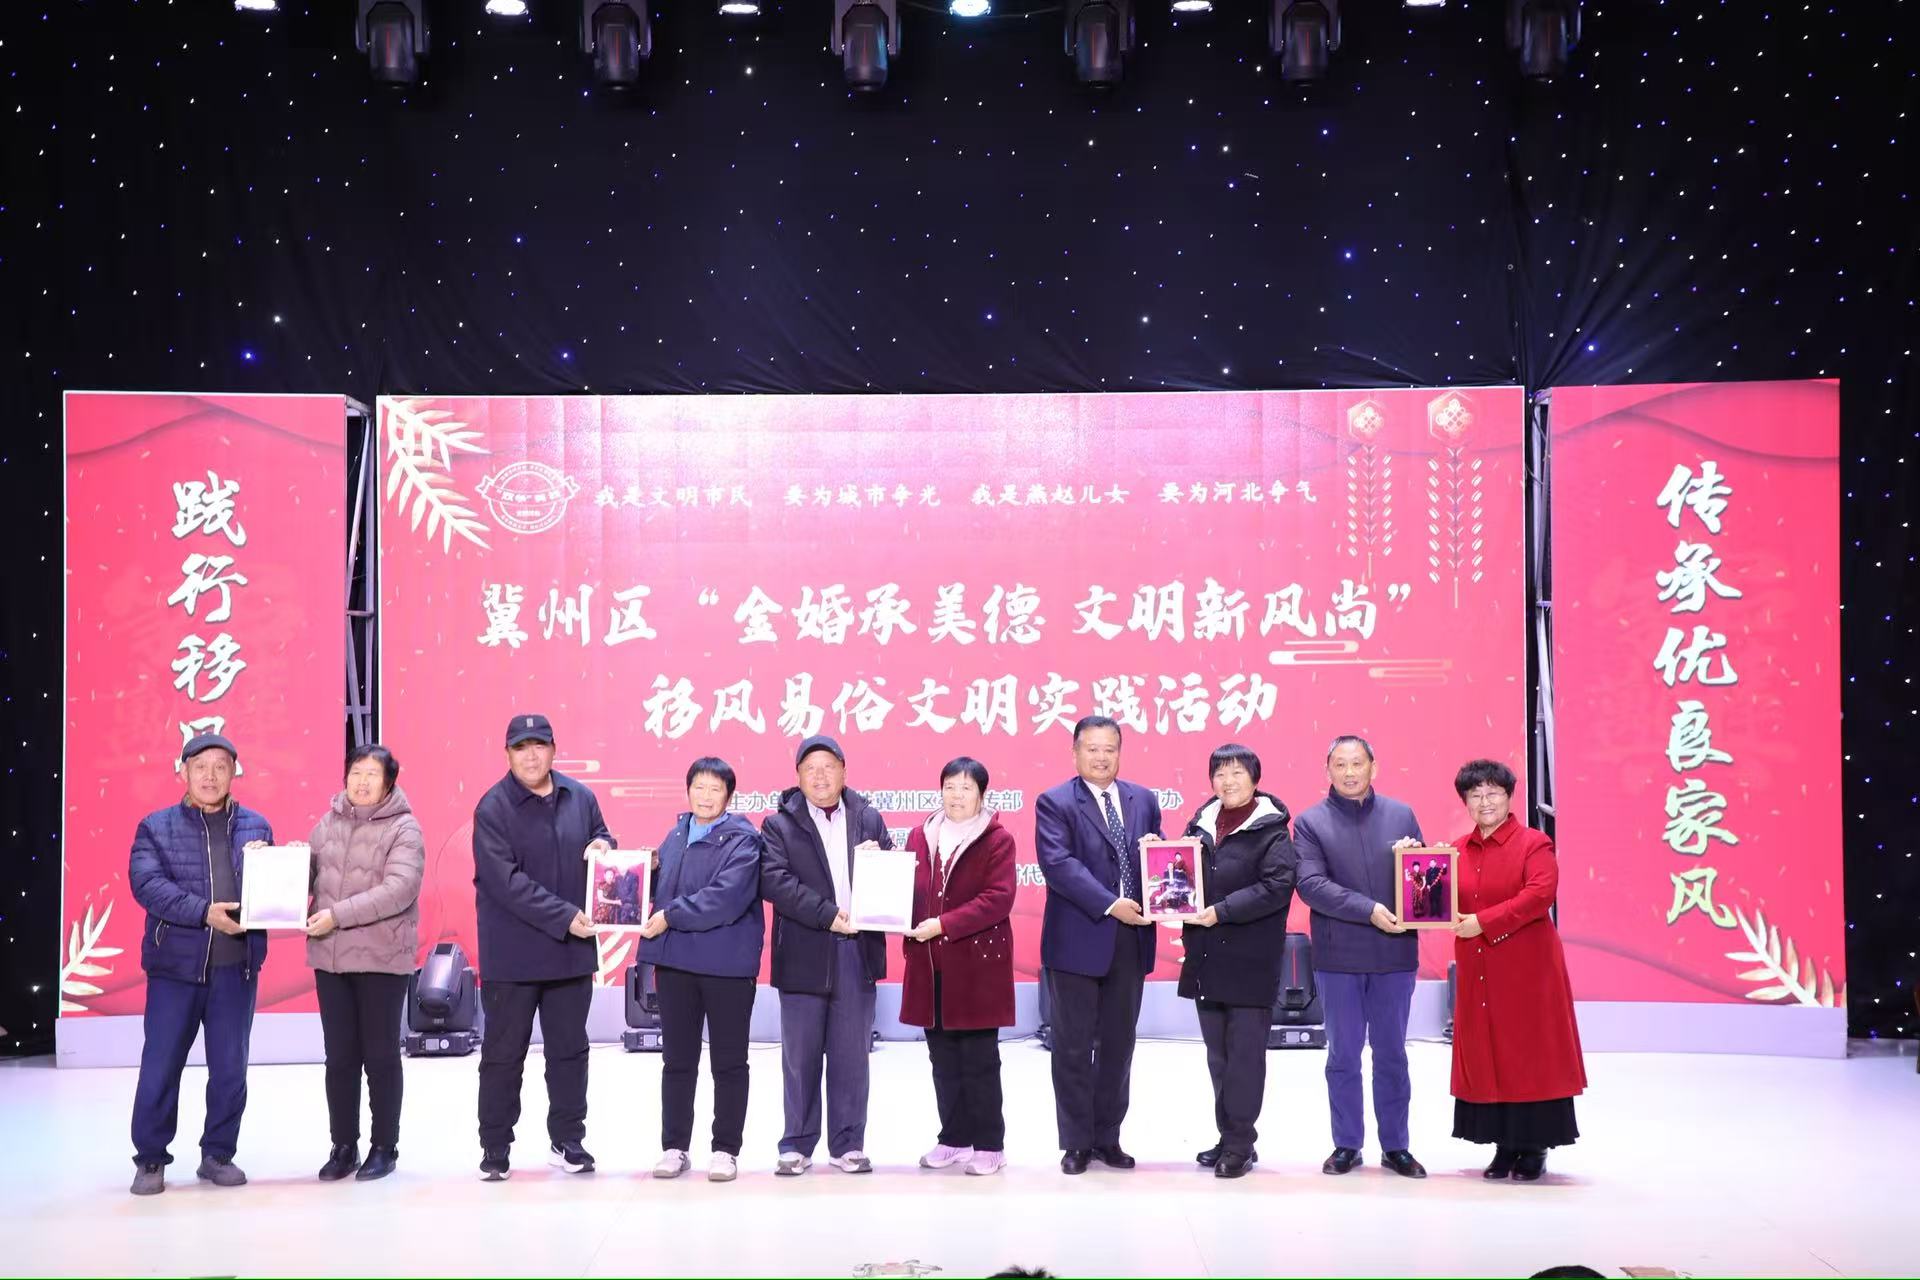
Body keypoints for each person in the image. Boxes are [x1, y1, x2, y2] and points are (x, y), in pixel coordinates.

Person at [126, 732, 273, 1196]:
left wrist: (287, 869)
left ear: (234, 773)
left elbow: (276, 889)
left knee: (230, 1069)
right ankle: (151, 1158)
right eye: (201, 767)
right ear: (183, 772)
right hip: (176, 970)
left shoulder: (257, 826)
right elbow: (147, 884)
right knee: (161, 1066)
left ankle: (218, 1154)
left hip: (236, 969)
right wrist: (204, 912)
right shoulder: (156, 827)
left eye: (220, 767)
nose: (210, 776)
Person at [471, 713, 613, 1182]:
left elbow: (602, 835)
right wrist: (564, 916)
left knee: (570, 1052)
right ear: (507, 754)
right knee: (503, 1055)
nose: (531, 756)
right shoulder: (492, 808)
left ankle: (568, 1140)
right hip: (512, 955)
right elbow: (505, 883)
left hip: (571, 952)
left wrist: (603, 845)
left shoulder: (580, 796)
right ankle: (495, 1146)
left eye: (539, 746)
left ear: (553, 749)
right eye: (521, 747)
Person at [1293, 734, 1429, 1179]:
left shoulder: (1401, 815)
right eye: (1340, 764)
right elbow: (1311, 885)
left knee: (1392, 1054)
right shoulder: (1310, 822)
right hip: (1339, 957)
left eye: (1357, 763)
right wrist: (1369, 910)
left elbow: (1426, 880)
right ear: (1327, 771)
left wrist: (1418, 864)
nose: (1349, 772)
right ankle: (1347, 1144)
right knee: (1343, 1055)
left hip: (1395, 954)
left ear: (1374, 767)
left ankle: (1396, 1146)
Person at [1034, 714, 1163, 1175]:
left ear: (1120, 752)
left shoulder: (1143, 799)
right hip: (1077, 940)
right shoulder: (1054, 802)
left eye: (1110, 748)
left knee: (1118, 1045)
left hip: (1130, 940)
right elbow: (1059, 865)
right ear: (1075, 753)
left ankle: (1108, 1137)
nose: (1101, 757)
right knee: (1071, 1047)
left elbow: (1156, 862)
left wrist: (1157, 853)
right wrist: (1111, 905)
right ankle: (1076, 1142)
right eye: (1092, 748)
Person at [760, 734, 894, 1176]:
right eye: (810, 769)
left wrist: (881, 861)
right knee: (799, 1056)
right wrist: (827, 915)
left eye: (828, 767)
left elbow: (893, 877)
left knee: (851, 1055)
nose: (820, 776)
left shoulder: (868, 818)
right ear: (798, 777)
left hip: (857, 951)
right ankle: (797, 1144)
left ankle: (848, 1144)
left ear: (844, 771)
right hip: (804, 951)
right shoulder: (778, 825)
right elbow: (776, 882)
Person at [1447, 759, 1586, 1182]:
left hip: (1527, 968)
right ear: (1465, 802)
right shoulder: (1455, 850)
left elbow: (1540, 894)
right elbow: (1433, 897)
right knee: (1489, 1053)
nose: (1484, 802)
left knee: (1528, 1054)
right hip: (1479, 966)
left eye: (1493, 793)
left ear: (1509, 797)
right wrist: (1413, 861)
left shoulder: (1533, 843)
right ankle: (1504, 1145)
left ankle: (1534, 1147)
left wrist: (1483, 922)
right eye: (1475, 795)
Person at [639, 757, 765, 1184]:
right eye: (699, 787)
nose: (706, 797)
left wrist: (669, 916)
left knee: (729, 1062)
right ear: (688, 790)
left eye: (715, 789)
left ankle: (725, 1149)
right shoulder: (677, 834)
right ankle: (674, 1146)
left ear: (729, 796)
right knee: (677, 1061)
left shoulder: (744, 840)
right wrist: (645, 872)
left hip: (726, 967)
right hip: (676, 964)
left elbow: (724, 898)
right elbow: (660, 890)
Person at [305, 743, 425, 1184]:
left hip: (381, 958)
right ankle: (343, 1145)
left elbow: (399, 889)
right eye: (356, 772)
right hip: (331, 958)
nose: (362, 781)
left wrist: (336, 915)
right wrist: (275, 862)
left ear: (389, 782)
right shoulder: (328, 823)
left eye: (372, 774)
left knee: (380, 1056)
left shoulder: (405, 828)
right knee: (339, 1058)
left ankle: (384, 1146)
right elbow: (307, 876)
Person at [1177, 743, 1297, 1179]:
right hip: (1207, 957)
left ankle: (1240, 1144)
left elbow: (1278, 886)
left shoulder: (1272, 830)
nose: (1227, 782)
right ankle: (1229, 1136)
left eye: (1237, 773)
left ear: (1255, 779)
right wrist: (1159, 854)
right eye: (1220, 774)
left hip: (1250, 960)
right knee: (1219, 1057)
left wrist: (1221, 911)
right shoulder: (1201, 824)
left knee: (1245, 1058)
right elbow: (1180, 875)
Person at [900, 757, 1017, 1178]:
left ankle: (989, 1144)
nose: (956, 795)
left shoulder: (997, 839)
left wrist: (944, 924)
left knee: (979, 1059)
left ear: (982, 795)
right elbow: (904, 888)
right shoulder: (920, 835)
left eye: (966, 788)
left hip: (977, 966)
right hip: (930, 964)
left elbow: (998, 899)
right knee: (942, 1058)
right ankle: (954, 1138)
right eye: (950, 786)